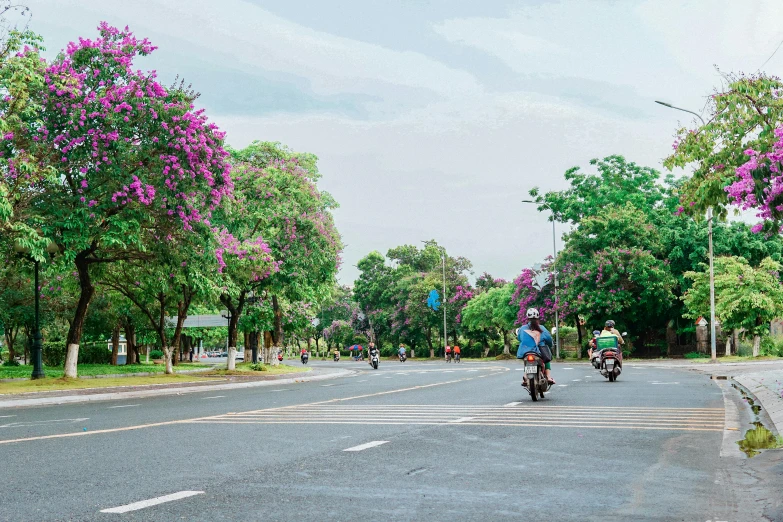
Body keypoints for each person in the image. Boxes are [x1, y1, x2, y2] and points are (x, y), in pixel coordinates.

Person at [516, 308, 555, 384]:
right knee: (546, 359)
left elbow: (520, 338)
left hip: (525, 352)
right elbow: (549, 340)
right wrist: (550, 345)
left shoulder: (522, 328)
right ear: (538, 317)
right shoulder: (542, 328)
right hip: (539, 352)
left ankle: (525, 377)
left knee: (526, 362)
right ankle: (549, 377)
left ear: (527, 317)